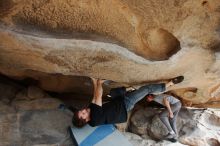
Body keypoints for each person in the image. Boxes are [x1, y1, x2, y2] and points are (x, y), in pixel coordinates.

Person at [72, 76, 184, 128]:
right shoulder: (95, 118)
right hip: (125, 106)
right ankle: (168, 85)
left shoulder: (91, 116)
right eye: (82, 114)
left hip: (119, 103)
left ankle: (130, 89)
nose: (83, 110)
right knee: (146, 89)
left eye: (80, 111)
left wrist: (93, 81)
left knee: (113, 92)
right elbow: (98, 96)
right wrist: (99, 83)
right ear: (85, 120)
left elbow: (93, 99)